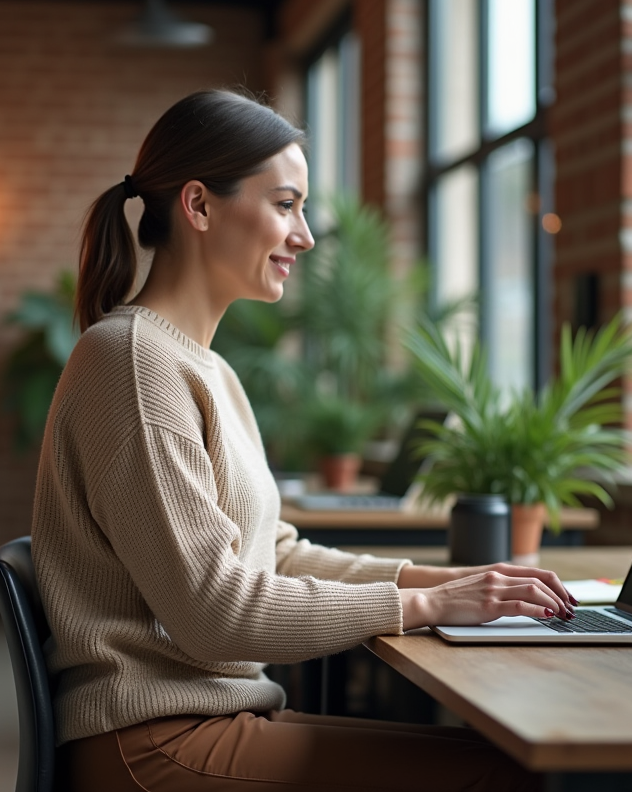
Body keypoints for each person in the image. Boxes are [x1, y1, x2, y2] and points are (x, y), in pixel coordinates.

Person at [34, 89, 578, 792]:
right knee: (513, 778)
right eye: (286, 204)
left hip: (210, 725)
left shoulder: (205, 368)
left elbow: (276, 553)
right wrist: (426, 607)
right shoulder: (134, 362)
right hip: (155, 746)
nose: (306, 235)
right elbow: (216, 612)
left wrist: (447, 583)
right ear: (199, 206)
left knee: (517, 767)